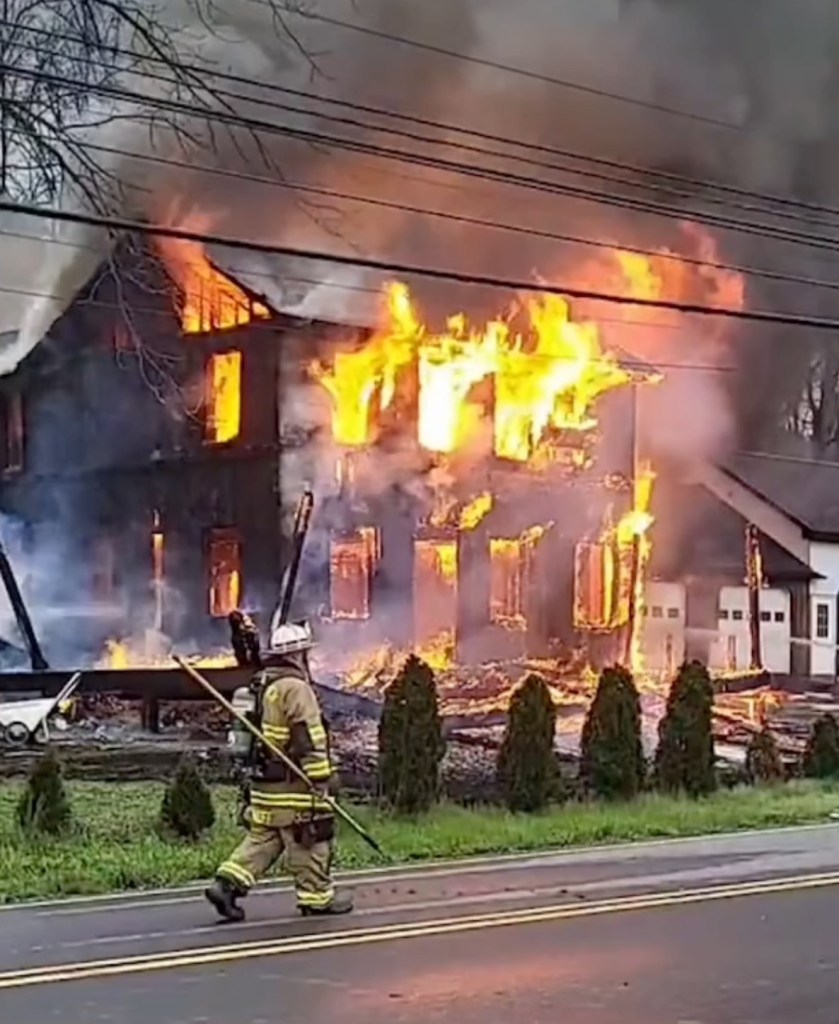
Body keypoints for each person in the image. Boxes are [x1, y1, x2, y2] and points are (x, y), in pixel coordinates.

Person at [205, 620, 353, 921]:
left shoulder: (257, 684)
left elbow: (241, 740)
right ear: (298, 654)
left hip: (263, 784)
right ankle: (317, 898)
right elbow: (309, 739)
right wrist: (322, 780)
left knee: (265, 838)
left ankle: (227, 885)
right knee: (309, 837)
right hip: (294, 784)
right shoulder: (295, 688)